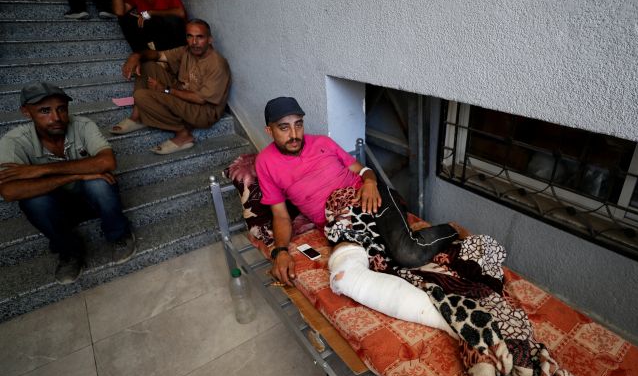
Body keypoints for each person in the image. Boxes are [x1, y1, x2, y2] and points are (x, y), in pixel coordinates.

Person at [256, 97, 459, 286]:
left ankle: (452, 229)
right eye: (284, 128)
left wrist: (370, 183)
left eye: (298, 124)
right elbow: (280, 216)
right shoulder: (265, 163)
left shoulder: (322, 143)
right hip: (338, 222)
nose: (294, 135)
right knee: (373, 268)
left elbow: (364, 170)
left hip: (370, 197)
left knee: (407, 255)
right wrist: (280, 251)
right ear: (269, 130)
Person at [0, 82, 135, 284]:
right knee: (33, 202)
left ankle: (119, 235)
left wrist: (41, 170)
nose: (56, 118)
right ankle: (70, 252)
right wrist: (75, 175)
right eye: (45, 111)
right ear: (26, 112)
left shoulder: (82, 125)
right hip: (56, 209)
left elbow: (107, 161)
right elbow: (9, 191)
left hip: (91, 201)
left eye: (61, 109)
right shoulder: (14, 141)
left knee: (99, 183)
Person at [110, 19, 231, 154]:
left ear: (210, 40)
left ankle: (183, 134)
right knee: (147, 65)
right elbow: (159, 55)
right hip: (182, 92)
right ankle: (138, 117)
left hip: (204, 111)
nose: (194, 42)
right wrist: (136, 55)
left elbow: (201, 99)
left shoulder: (217, 64)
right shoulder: (187, 51)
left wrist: (166, 90)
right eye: (189, 36)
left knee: (141, 96)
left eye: (200, 37)